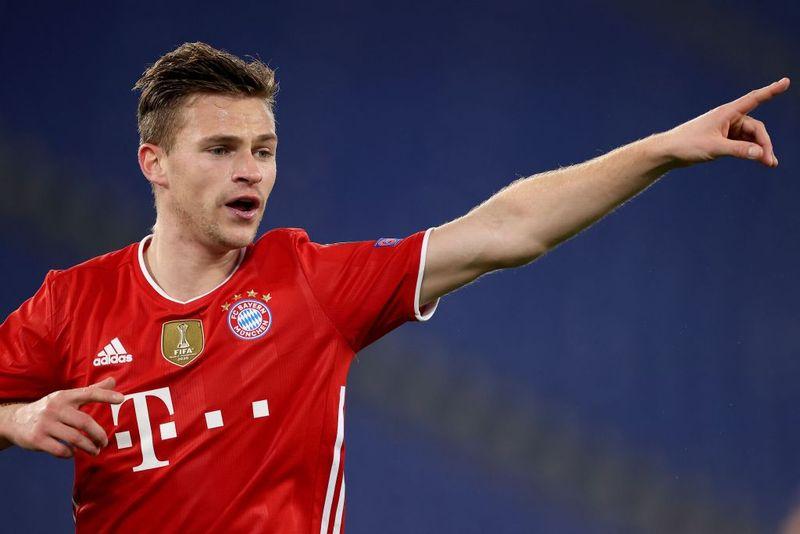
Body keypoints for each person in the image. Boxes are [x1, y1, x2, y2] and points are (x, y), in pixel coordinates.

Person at [0, 41, 789, 533]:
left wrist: (662, 149)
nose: (251, 172)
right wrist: (20, 418)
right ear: (155, 164)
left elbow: (507, 229)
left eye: (264, 150)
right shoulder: (71, 303)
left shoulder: (308, 284)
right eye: (221, 149)